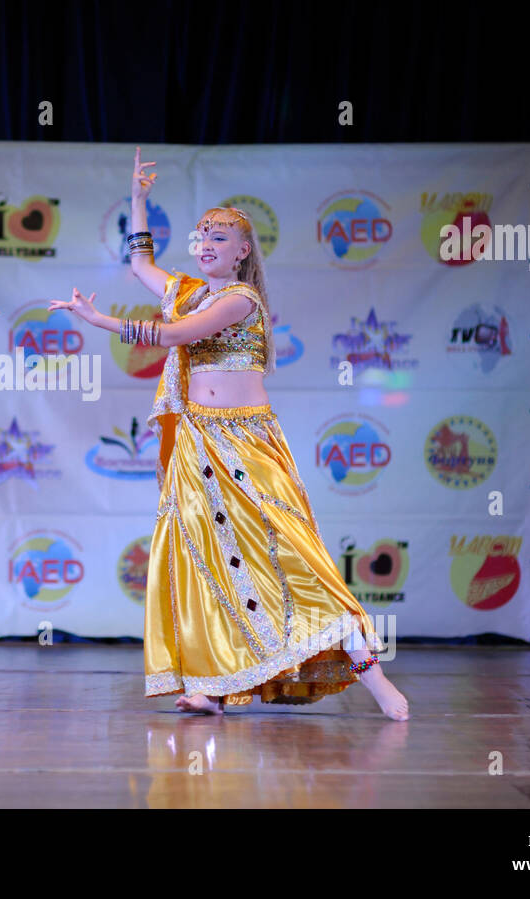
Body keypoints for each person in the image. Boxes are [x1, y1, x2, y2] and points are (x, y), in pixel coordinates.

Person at [49, 147, 409, 720]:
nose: (208, 244)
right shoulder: (191, 289)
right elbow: (142, 269)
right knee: (201, 560)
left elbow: (176, 336)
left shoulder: (241, 299)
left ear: (242, 251)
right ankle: (212, 685)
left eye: (220, 237)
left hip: (245, 442)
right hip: (197, 441)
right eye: (201, 237)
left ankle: (377, 681)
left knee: (293, 556)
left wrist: (102, 322)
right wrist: (139, 202)